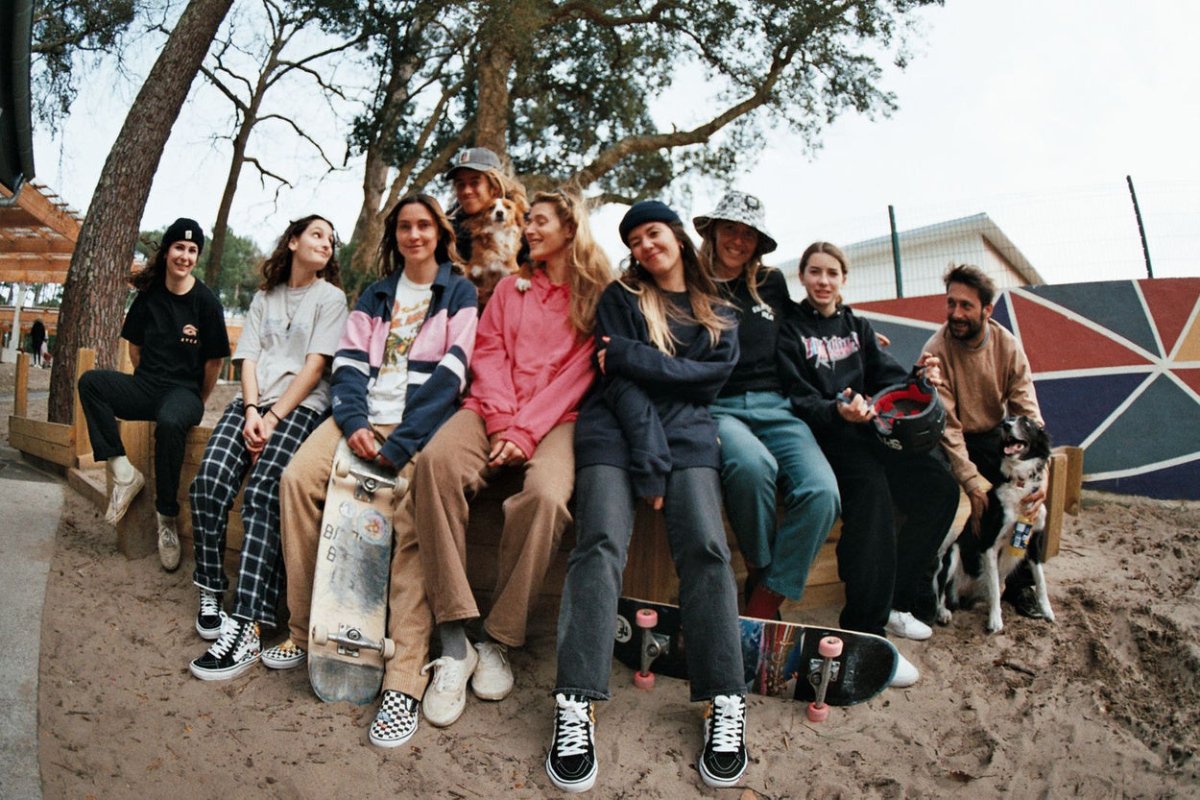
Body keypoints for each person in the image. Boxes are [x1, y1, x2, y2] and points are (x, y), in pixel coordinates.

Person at [546, 201, 748, 793]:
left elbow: (710, 382)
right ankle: (575, 701)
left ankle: (725, 700)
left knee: (708, 548)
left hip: (688, 437)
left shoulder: (719, 311)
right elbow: (623, 385)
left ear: (678, 237)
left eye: (652, 233)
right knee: (600, 541)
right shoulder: (621, 298)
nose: (644, 246)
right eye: (634, 239)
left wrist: (637, 356)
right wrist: (650, 457)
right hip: (616, 430)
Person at [275, 194, 478, 748]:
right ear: (395, 235)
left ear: (438, 232)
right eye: (405, 227)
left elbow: (453, 376)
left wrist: (404, 441)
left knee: (408, 518)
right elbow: (346, 365)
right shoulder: (376, 293)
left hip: (416, 426)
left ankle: (404, 678)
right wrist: (356, 421)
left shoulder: (458, 293)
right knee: (296, 481)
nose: (415, 235)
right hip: (360, 419)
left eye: (424, 226)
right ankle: (304, 629)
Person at [408, 189, 612, 729]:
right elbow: (489, 351)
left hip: (557, 420)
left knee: (545, 497)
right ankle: (455, 637)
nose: (531, 230)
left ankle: (498, 637)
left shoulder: (596, 294)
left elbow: (580, 375)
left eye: (541, 222)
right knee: (436, 465)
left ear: (570, 228)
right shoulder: (508, 289)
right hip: (491, 408)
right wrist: (501, 421)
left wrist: (526, 431)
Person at [777, 241, 960, 688]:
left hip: (871, 431)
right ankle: (865, 632)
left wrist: (921, 376)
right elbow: (795, 396)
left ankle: (896, 601)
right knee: (872, 498)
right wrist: (834, 411)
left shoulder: (857, 325)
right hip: (825, 439)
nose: (823, 281)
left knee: (940, 489)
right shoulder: (788, 329)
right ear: (801, 277)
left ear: (843, 279)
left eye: (832, 273)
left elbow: (889, 377)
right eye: (815, 272)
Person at [186, 215, 348, 679]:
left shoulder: (331, 299)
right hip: (254, 405)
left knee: (262, 495)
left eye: (331, 240)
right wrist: (253, 410)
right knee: (209, 483)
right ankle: (211, 589)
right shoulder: (263, 298)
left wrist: (274, 418)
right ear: (293, 240)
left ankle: (249, 621)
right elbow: (249, 359)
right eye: (317, 233)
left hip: (301, 409)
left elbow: (316, 367)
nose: (326, 243)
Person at [694, 191, 840, 621]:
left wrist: (853, 339)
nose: (738, 240)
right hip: (720, 406)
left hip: (778, 405)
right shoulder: (690, 282)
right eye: (730, 230)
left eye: (748, 234)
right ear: (714, 232)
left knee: (822, 492)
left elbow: (804, 324)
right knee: (752, 467)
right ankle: (758, 570)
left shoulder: (771, 282)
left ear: (758, 242)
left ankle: (766, 596)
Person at [78, 218, 230, 571]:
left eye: (193, 251)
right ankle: (123, 471)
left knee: (171, 418)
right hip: (147, 386)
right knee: (91, 383)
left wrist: (197, 401)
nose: (186, 256)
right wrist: (146, 381)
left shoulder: (206, 302)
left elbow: (213, 364)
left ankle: (167, 521)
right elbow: (135, 348)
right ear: (167, 252)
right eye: (180, 247)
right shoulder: (149, 297)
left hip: (184, 393)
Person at [923, 263, 1047, 618]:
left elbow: (1028, 412)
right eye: (951, 304)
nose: (956, 314)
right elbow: (948, 427)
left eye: (966, 306)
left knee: (1029, 506)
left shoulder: (1007, 345)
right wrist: (974, 484)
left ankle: (1020, 584)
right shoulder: (937, 347)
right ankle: (934, 582)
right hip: (952, 439)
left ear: (987, 310)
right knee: (941, 487)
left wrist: (1041, 476)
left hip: (996, 437)